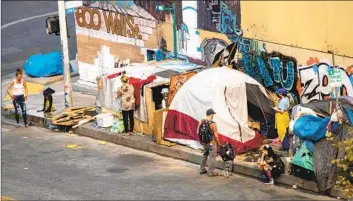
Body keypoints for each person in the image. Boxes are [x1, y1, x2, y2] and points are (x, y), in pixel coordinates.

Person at [198, 109, 221, 177]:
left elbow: (198, 132)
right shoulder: (213, 124)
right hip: (211, 143)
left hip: (204, 142)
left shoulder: (201, 121)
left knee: (204, 155)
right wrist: (218, 143)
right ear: (211, 114)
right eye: (213, 114)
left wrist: (202, 140)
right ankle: (211, 172)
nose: (213, 115)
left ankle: (202, 169)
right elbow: (216, 136)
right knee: (212, 157)